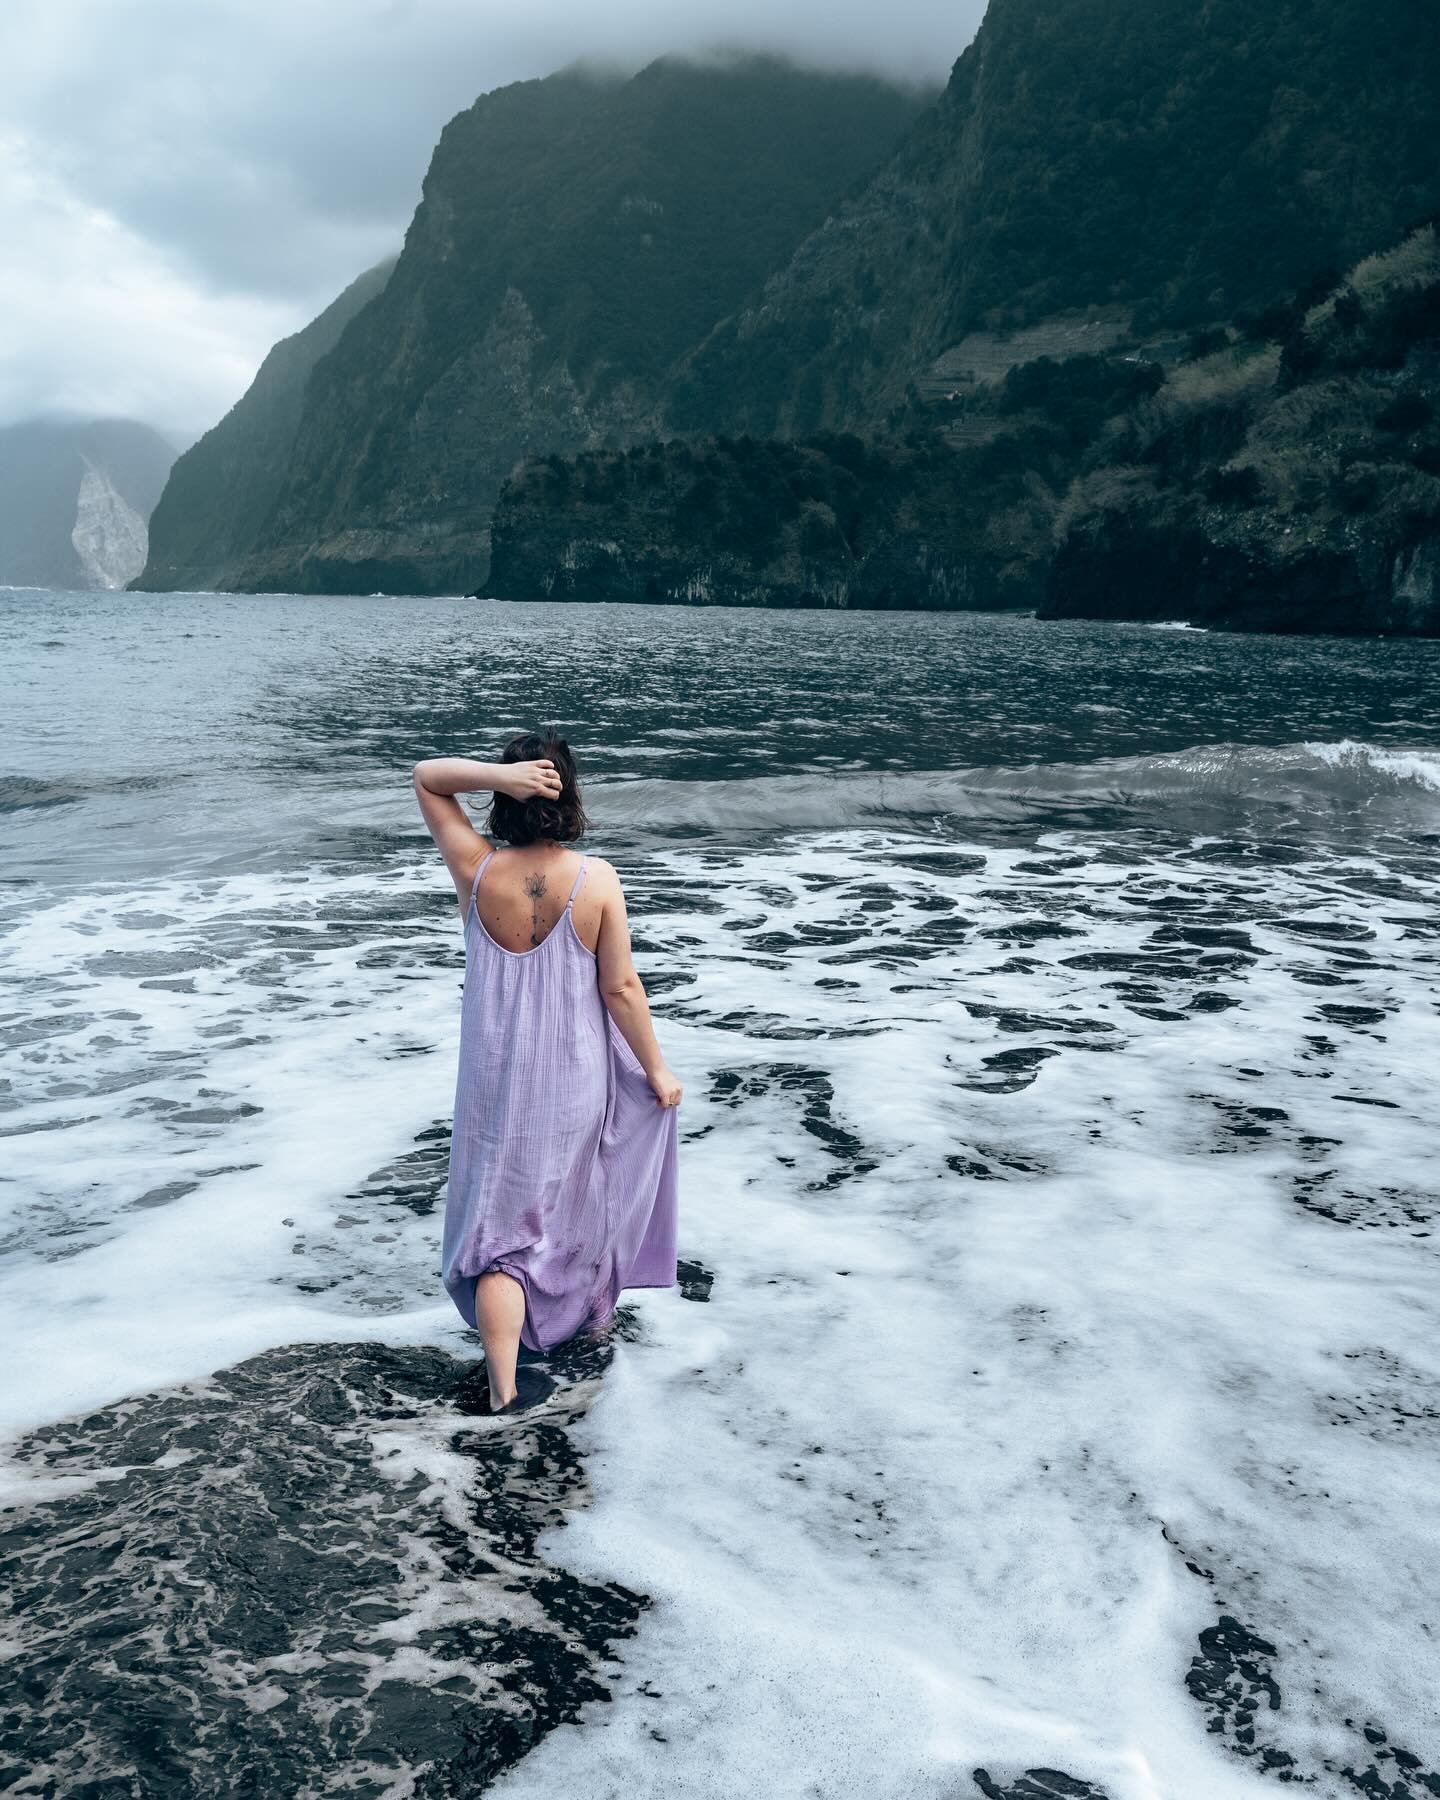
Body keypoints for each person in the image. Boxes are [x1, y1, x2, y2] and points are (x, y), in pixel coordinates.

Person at [413, 730, 681, 1414]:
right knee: (579, 1198)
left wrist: (500, 778)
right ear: (570, 794)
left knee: (502, 1231)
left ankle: (504, 1385)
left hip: (493, 1083)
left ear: (508, 797)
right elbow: (620, 988)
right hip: (574, 1080)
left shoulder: (476, 870)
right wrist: (656, 1071)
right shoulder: (596, 879)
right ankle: (586, 1322)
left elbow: (428, 777)